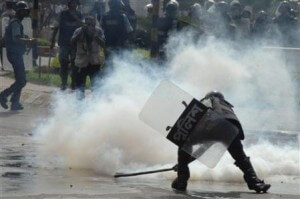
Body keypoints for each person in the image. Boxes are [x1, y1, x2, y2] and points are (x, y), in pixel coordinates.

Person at [172, 91, 271, 193]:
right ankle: (256, 183)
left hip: (211, 127)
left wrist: (182, 164)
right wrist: (183, 163)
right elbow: (204, 148)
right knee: (241, 158)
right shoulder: (227, 107)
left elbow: (198, 118)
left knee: (184, 144)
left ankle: (182, 179)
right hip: (230, 129)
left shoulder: (209, 100)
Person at [0, 1, 36, 111]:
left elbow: (16, 37)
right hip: (14, 54)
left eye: (26, 11)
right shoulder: (15, 22)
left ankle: (15, 102)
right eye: (23, 11)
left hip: (15, 54)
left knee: (20, 79)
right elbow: (16, 39)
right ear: (19, 11)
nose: (25, 13)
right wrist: (28, 41)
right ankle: (3, 95)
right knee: (21, 81)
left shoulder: (16, 22)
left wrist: (24, 38)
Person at [50, 0, 83, 91]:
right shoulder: (62, 14)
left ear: (77, 4)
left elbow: (82, 27)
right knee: (63, 63)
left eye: (75, 2)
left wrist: (76, 18)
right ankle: (63, 83)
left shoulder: (79, 14)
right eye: (71, 2)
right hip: (64, 43)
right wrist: (52, 42)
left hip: (75, 44)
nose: (73, 4)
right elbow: (56, 27)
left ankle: (73, 83)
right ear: (68, 4)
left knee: (75, 64)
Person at [71, 16, 105, 99]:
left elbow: (104, 44)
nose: (89, 25)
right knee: (80, 85)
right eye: (87, 22)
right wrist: (81, 32)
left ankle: (96, 104)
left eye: (91, 22)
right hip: (81, 62)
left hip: (94, 61)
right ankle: (79, 103)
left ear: (95, 23)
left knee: (96, 85)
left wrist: (96, 37)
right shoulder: (79, 30)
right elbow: (72, 42)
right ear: (84, 23)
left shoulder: (99, 31)